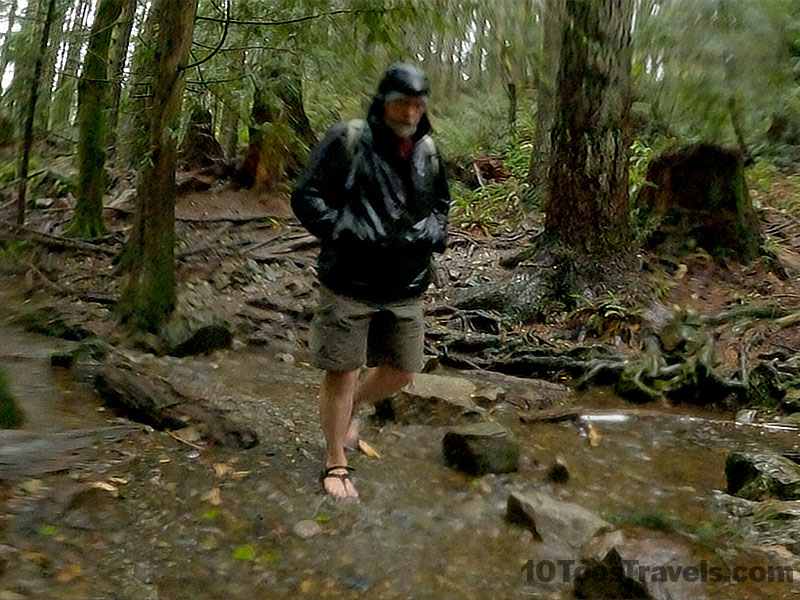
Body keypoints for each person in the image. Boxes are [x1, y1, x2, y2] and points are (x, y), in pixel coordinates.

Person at [291, 63, 450, 499]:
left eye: (419, 104)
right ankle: (335, 461)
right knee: (342, 371)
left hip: (407, 284)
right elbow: (305, 196)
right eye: (403, 102)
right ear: (384, 101)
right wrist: (344, 228)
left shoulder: (429, 151)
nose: (412, 113)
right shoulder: (348, 140)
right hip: (349, 282)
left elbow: (441, 203)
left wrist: (435, 233)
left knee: (404, 370)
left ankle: (352, 409)